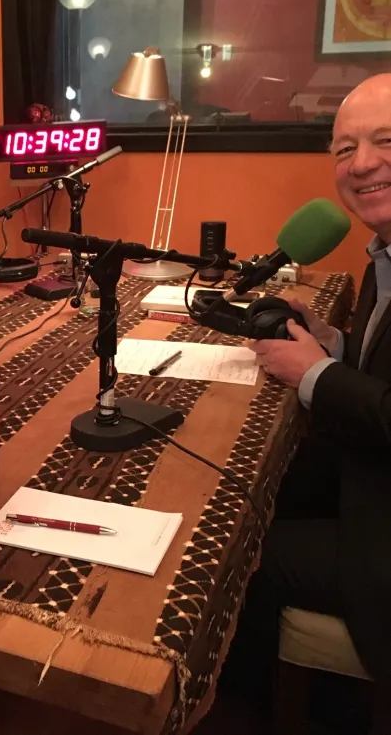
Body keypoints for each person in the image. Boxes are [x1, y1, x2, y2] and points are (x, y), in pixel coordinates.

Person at [222, 74, 391, 717]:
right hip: (367, 481)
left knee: (237, 557)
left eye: (384, 141)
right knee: (246, 490)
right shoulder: (383, 252)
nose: (363, 163)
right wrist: (330, 344)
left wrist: (314, 374)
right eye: (345, 149)